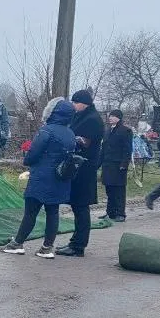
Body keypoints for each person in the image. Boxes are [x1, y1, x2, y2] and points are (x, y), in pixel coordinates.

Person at [2, 98, 77, 258]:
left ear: (52, 112)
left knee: (31, 211)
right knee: (53, 212)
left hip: (41, 177)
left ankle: (17, 243)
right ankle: (47, 247)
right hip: (59, 177)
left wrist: (27, 160)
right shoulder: (70, 133)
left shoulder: (46, 131)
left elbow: (33, 154)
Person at [58, 89, 103, 257]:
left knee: (81, 207)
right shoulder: (82, 116)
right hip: (78, 167)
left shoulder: (92, 120)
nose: (73, 105)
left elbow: (84, 141)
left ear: (84, 103)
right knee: (78, 207)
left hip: (84, 168)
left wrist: (70, 138)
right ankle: (76, 242)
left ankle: (78, 245)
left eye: (75, 102)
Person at [101, 109, 133, 222]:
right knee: (109, 190)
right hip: (107, 164)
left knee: (119, 190)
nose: (110, 118)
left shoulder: (125, 131)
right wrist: (100, 162)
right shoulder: (107, 130)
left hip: (118, 165)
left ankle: (120, 213)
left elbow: (127, 149)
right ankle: (110, 212)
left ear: (119, 118)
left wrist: (124, 163)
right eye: (110, 116)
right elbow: (103, 148)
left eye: (113, 116)